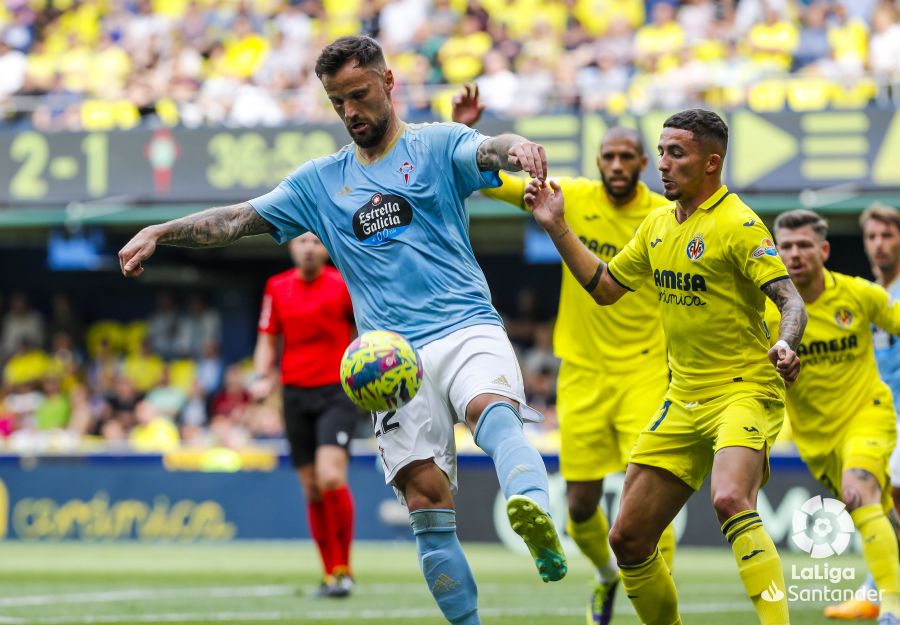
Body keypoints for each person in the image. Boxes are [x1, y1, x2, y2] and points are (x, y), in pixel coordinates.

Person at [118, 35, 566, 625]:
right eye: (338, 103)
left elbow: (489, 149)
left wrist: (519, 150)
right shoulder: (319, 182)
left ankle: (532, 508)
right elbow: (236, 219)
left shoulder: (436, 144)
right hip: (390, 359)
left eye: (359, 95)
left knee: (489, 408)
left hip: (464, 325)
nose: (351, 112)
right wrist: (161, 230)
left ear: (388, 83)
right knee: (426, 503)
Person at [525, 108, 806, 625]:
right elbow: (606, 288)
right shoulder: (657, 224)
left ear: (710, 163)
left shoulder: (739, 224)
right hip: (682, 398)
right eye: (661, 151)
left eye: (676, 153)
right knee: (627, 538)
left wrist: (787, 345)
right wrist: (559, 227)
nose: (663, 163)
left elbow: (791, 302)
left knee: (729, 497)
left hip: (743, 390)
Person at [453, 84, 674, 625]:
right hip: (582, 374)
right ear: (598, 162)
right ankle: (605, 578)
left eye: (627, 157)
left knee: (647, 505)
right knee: (578, 510)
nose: (617, 165)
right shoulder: (568, 195)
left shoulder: (666, 215)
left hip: (646, 369)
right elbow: (491, 182)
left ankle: (658, 610)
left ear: (644, 163)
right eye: (609, 157)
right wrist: (466, 134)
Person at [766, 209, 900, 625]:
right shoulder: (764, 313)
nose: (794, 254)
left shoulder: (859, 295)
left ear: (823, 249)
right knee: (880, 513)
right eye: (785, 246)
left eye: (804, 245)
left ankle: (892, 608)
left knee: (859, 494)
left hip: (868, 415)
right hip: (816, 438)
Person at [250, 232, 358, 598]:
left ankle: (344, 568)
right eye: (301, 241)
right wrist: (262, 376)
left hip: (337, 391)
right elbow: (267, 337)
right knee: (311, 487)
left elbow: (365, 329)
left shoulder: (344, 284)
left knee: (330, 477)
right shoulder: (276, 287)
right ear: (291, 247)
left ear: (327, 247)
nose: (309, 247)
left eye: (315, 240)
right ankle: (330, 573)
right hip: (294, 394)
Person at [825, 203, 900, 622]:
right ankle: (877, 590)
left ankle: (878, 591)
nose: (878, 244)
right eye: (872, 236)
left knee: (878, 500)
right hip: (879, 416)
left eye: (887, 235)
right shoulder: (870, 295)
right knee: (878, 502)